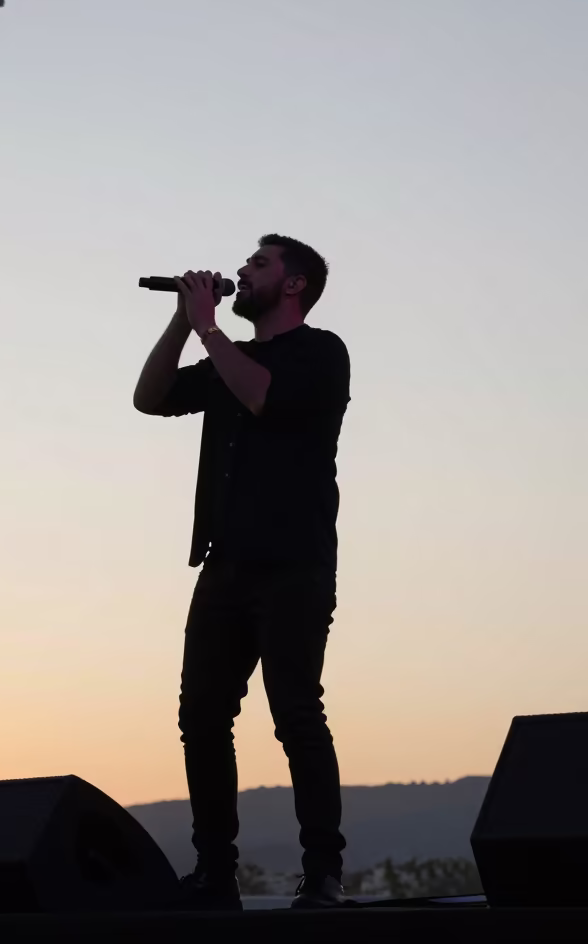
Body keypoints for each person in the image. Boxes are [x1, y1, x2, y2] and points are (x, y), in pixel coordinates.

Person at [133, 235, 351, 910]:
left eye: (258, 264)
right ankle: (213, 872)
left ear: (294, 285)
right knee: (201, 713)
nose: (241, 271)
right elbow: (152, 396)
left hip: (293, 564)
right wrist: (181, 319)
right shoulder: (232, 356)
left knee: (296, 714)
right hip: (225, 566)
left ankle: (323, 872)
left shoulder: (320, 352)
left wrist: (208, 327)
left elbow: (264, 399)